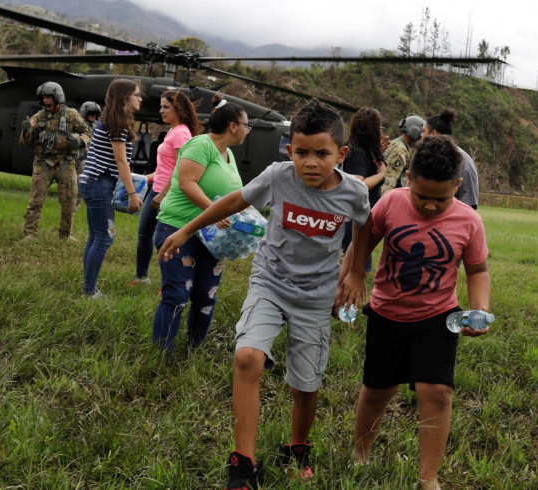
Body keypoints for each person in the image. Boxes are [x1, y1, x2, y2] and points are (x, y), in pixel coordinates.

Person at [157, 98, 371, 489]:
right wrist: (187, 230)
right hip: (270, 283)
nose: (310, 162)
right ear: (289, 151)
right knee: (247, 357)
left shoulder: (353, 192)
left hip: (315, 297)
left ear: (340, 154)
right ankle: (243, 465)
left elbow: (364, 227)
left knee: (304, 385)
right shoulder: (278, 176)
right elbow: (234, 201)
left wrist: (355, 273)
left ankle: (298, 447)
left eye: (321, 154)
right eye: (301, 152)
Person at [337, 134, 491, 490]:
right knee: (377, 390)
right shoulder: (391, 203)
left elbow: (478, 270)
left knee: (437, 392)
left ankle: (428, 477)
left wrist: (480, 307)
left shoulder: (469, 222)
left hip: (439, 319)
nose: (432, 206)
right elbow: (363, 240)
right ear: (408, 180)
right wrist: (352, 276)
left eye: (442, 198)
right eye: (422, 197)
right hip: (387, 314)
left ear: (458, 185)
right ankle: (360, 454)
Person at [151, 93, 244, 352]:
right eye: (247, 126)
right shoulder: (200, 145)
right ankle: (162, 356)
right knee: (178, 294)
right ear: (233, 126)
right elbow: (186, 183)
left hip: (213, 237)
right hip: (179, 229)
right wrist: (214, 210)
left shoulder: (228, 155)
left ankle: (195, 350)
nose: (248, 131)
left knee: (206, 296)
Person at [78, 79, 143, 297]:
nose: (140, 98)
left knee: (95, 237)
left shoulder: (110, 120)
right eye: (137, 94)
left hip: (91, 182)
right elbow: (121, 161)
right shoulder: (118, 123)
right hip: (99, 183)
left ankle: (88, 287)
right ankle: (89, 291)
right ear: (125, 97)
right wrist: (132, 193)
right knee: (105, 237)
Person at [133, 90, 202, 286]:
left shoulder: (181, 134)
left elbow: (182, 168)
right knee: (145, 234)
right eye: (161, 106)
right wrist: (144, 178)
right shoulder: (173, 130)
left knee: (164, 239)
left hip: (167, 194)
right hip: (156, 188)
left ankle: (169, 283)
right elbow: (167, 167)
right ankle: (142, 277)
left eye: (165, 107)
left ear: (178, 109)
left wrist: (163, 194)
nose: (161, 111)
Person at [20, 81, 92, 240]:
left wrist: (80, 141)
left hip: (66, 164)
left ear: (57, 97)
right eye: (44, 97)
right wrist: (26, 131)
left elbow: (87, 133)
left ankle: (65, 235)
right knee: (35, 201)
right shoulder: (38, 117)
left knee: (69, 202)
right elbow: (25, 143)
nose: (46, 101)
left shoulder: (71, 114)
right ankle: (30, 234)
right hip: (43, 163)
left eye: (49, 97)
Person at [341, 107, 388, 274]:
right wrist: (382, 174)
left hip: (363, 214)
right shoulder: (357, 152)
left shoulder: (363, 149)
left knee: (360, 264)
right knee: (356, 266)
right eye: (379, 127)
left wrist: (378, 153)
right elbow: (357, 184)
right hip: (355, 216)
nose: (380, 131)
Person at [422, 108, 479, 209]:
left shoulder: (463, 162)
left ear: (433, 134)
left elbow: (468, 205)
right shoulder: (424, 157)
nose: (421, 136)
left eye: (423, 131)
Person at [380, 113, 424, 194]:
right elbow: (388, 182)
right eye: (421, 136)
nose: (422, 139)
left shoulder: (407, 146)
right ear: (414, 132)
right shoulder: (400, 149)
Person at [75, 101, 102, 208]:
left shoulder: (98, 127)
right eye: (91, 114)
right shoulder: (78, 126)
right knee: (76, 191)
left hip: (92, 163)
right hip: (79, 161)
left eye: (95, 115)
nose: (93, 117)